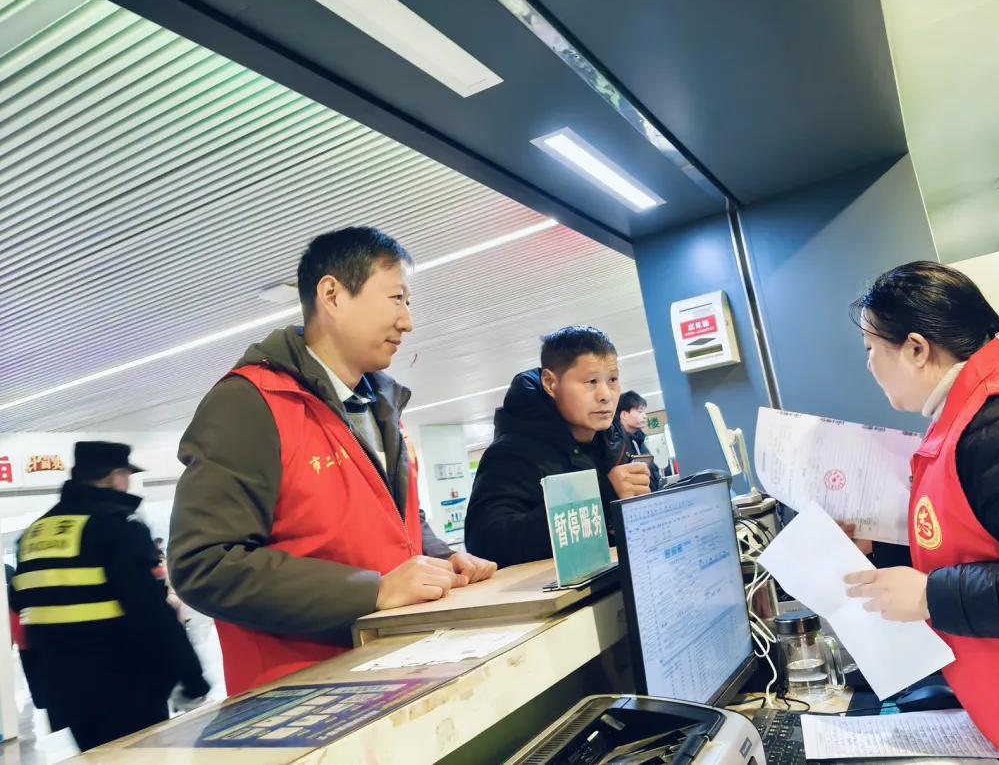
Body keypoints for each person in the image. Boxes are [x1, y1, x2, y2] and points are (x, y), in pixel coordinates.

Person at [169, 226, 496, 696]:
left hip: (394, 669)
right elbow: (204, 564)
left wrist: (443, 559)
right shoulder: (251, 403)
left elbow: (396, 517)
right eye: (397, 298)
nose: (408, 321)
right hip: (305, 695)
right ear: (333, 295)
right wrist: (373, 591)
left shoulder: (380, 406)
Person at [843, 261, 999, 765]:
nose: (868, 366)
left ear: (916, 348)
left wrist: (930, 595)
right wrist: (880, 548)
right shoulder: (972, 410)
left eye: (870, 349)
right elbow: (979, 540)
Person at [11, 442, 209, 751]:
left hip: (66, 691)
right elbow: (149, 612)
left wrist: (43, 691)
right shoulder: (115, 526)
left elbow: (24, 618)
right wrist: (191, 676)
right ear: (116, 477)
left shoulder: (33, 535)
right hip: (126, 685)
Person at [465, 326, 652, 567]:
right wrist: (601, 497)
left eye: (612, 380)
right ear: (550, 383)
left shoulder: (614, 441)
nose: (605, 395)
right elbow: (485, 543)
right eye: (591, 381)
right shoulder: (512, 453)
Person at [613, 390, 662, 492]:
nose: (645, 416)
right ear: (624, 415)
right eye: (640, 412)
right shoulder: (615, 443)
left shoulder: (638, 440)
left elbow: (652, 470)